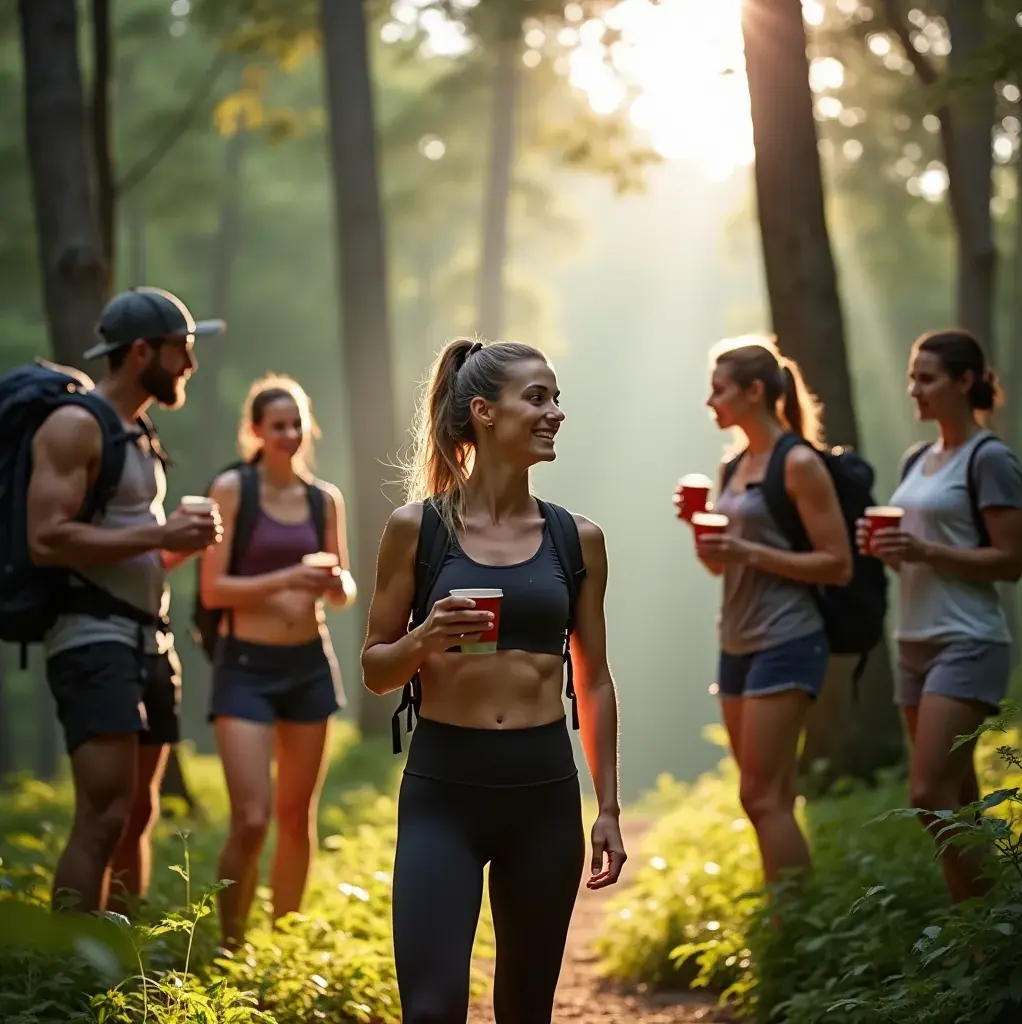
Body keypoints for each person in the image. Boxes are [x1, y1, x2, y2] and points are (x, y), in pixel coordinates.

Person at [361, 337, 625, 1023]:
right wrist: (424, 639)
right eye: (537, 398)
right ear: (482, 411)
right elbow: (374, 672)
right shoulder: (416, 530)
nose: (555, 413)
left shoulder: (578, 539)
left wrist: (609, 809)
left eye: (556, 398)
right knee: (430, 1010)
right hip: (443, 792)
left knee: (525, 1013)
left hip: (543, 794)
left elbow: (593, 681)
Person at [25, 286, 225, 914]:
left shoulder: (139, 432)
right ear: (142, 352)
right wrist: (162, 533)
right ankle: (67, 971)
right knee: (103, 812)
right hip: (92, 636)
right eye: (181, 350)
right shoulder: (74, 425)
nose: (189, 365)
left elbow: (128, 545)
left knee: (138, 811)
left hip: (150, 638)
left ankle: (121, 959)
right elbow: (46, 538)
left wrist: (177, 548)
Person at [676, 335, 852, 888]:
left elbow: (837, 564)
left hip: (789, 637)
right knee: (767, 796)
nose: (710, 403)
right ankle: (792, 930)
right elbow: (724, 568)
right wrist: (699, 533)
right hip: (737, 641)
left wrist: (747, 550)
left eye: (719, 390)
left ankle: (792, 931)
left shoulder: (798, 463)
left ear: (755, 392)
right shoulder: (732, 467)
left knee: (760, 794)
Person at [856, 329, 1022, 902]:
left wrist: (926, 551)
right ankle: (980, 941)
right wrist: (891, 551)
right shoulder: (918, 459)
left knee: (929, 792)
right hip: (915, 641)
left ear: (965, 381)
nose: (914, 389)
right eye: (911, 377)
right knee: (959, 796)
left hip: (968, 639)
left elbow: (1010, 561)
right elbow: (920, 559)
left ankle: (993, 918)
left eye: (927, 378)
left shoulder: (990, 458)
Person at [200, 374, 357, 948]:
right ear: (256, 432)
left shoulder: (323, 499)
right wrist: (290, 576)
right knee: (251, 819)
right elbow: (214, 591)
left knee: (296, 817)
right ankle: (230, 945)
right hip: (244, 666)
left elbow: (342, 590)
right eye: (277, 426)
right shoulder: (232, 489)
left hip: (309, 666)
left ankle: (283, 947)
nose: (289, 435)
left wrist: (335, 583)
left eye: (297, 424)